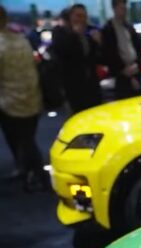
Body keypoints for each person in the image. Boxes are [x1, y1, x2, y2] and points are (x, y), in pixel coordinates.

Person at [0, 4, 46, 191]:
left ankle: (35, 176)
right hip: (32, 99)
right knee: (27, 141)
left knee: (21, 142)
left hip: (9, 104)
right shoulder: (22, 40)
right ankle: (32, 174)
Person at [48, 3, 102, 113]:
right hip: (72, 88)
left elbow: (96, 59)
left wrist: (98, 43)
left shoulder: (88, 35)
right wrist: (74, 35)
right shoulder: (60, 32)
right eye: (78, 16)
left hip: (91, 87)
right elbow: (63, 53)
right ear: (70, 17)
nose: (81, 19)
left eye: (84, 16)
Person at [102, 0, 141, 99]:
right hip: (121, 72)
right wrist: (121, 69)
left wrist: (137, 63)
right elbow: (109, 52)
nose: (124, 11)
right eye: (121, 8)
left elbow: (138, 46)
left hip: (135, 68)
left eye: (125, 8)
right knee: (124, 99)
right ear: (114, 9)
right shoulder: (109, 28)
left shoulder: (129, 27)